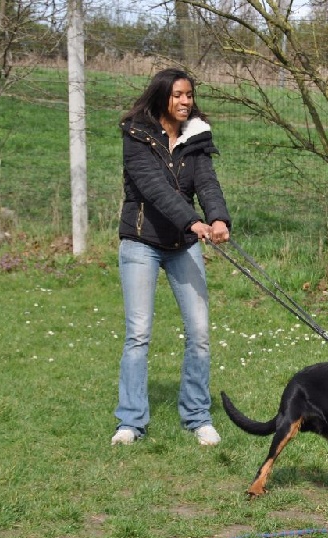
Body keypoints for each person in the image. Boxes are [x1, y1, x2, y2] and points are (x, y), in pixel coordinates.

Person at [111, 68, 232, 446]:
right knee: (139, 334)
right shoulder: (136, 134)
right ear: (162, 95)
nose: (185, 102)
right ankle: (130, 423)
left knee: (199, 334)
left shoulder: (196, 136)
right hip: (141, 242)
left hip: (183, 245)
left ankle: (197, 417)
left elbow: (207, 183)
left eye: (190, 95)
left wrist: (217, 218)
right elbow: (154, 189)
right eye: (178, 95)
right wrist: (193, 221)